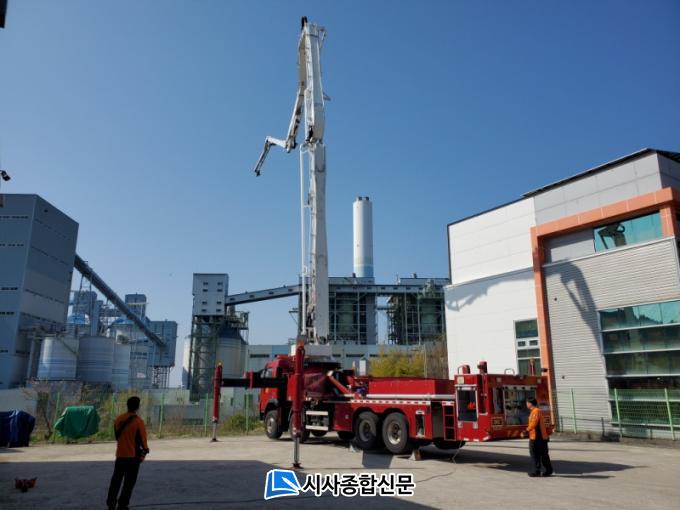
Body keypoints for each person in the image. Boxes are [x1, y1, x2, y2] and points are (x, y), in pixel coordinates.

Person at [107, 396, 150, 510]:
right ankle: (122, 505)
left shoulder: (118, 419)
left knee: (116, 481)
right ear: (137, 407)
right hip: (132, 457)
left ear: (127, 405)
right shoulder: (138, 421)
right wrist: (146, 450)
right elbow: (143, 439)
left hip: (120, 455)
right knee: (129, 483)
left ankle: (111, 504)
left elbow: (117, 437)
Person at [522, 398, 553, 477]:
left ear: (530, 403)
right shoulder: (536, 411)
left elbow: (534, 423)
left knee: (534, 454)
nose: (526, 404)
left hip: (536, 437)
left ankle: (536, 471)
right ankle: (548, 470)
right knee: (544, 454)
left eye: (527, 403)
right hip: (542, 437)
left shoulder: (535, 411)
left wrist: (526, 430)